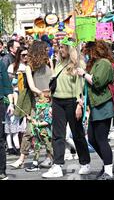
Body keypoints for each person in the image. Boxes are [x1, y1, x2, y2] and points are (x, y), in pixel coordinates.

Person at [41, 37, 91, 178]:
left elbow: (79, 86)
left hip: (72, 102)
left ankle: (85, 162)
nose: (60, 49)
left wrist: (79, 105)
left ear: (70, 49)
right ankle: (57, 165)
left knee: (77, 134)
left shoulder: (78, 63)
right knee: (57, 135)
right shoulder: (58, 62)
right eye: (59, 47)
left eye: (63, 47)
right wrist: (51, 102)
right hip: (57, 101)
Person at [10, 40, 53, 171]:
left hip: (51, 100)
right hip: (38, 102)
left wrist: (51, 96)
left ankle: (50, 157)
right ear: (39, 51)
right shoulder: (29, 67)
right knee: (30, 131)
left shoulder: (49, 63)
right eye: (45, 50)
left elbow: (53, 79)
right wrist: (41, 95)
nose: (48, 51)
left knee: (48, 131)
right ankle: (22, 159)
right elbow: (32, 86)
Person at [76, 40, 114, 180]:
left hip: (103, 105)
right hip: (95, 106)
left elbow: (98, 82)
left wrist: (83, 74)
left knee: (101, 139)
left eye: (89, 51)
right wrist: (82, 99)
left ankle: (109, 170)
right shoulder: (96, 64)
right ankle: (108, 165)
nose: (87, 55)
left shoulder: (104, 63)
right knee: (92, 139)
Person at [5, 47, 28, 156]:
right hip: (15, 95)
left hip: (25, 95)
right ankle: (14, 147)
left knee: (22, 122)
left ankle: (20, 146)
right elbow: (9, 83)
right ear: (18, 55)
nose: (26, 57)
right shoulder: (12, 67)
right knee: (13, 121)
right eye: (23, 55)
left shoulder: (28, 66)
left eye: (27, 55)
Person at [0, 60, 14, 180]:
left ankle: (1, 170)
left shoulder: (1, 64)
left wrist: (11, 104)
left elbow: (7, 85)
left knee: (0, 138)